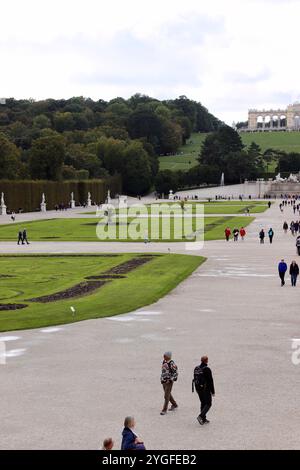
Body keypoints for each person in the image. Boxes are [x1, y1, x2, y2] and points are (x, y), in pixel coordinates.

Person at [193, 355, 215, 425]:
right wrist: (213, 391)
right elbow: (210, 381)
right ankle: (201, 416)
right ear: (206, 361)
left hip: (198, 389)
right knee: (208, 403)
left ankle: (203, 419)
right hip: (206, 389)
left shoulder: (196, 368)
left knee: (203, 402)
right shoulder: (207, 369)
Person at [160, 351, 178, 415]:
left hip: (169, 382)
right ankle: (175, 404)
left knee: (166, 396)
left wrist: (170, 380)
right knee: (168, 394)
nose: (163, 356)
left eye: (165, 355)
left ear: (168, 356)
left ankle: (164, 410)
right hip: (164, 381)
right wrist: (162, 379)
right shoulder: (164, 361)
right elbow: (163, 371)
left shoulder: (172, 363)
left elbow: (175, 373)